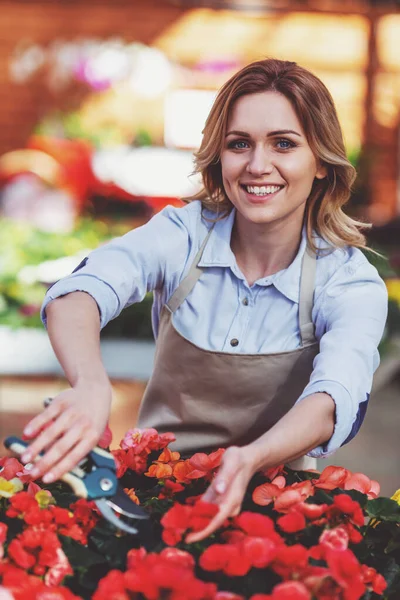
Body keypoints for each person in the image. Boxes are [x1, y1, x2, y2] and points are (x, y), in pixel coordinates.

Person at [20, 58, 388, 543]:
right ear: (219, 156)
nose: (258, 165)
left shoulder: (348, 281)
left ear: (320, 161)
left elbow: (333, 397)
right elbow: (80, 291)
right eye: (240, 144)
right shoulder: (182, 235)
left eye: (284, 144)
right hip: (149, 491)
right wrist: (91, 385)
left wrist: (252, 457)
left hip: (277, 509)